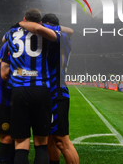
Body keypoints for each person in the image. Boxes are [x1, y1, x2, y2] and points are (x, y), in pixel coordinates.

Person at [1, 8, 59, 164]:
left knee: (21, 144)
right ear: (40, 22)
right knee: (41, 145)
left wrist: (17, 27)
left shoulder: (11, 34)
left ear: (24, 19)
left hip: (18, 90)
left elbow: (3, 40)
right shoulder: (46, 32)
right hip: (41, 89)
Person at [41, 13, 79, 164]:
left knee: (62, 141)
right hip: (51, 92)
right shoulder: (60, 38)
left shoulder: (60, 38)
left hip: (56, 93)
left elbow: (70, 30)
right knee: (50, 137)